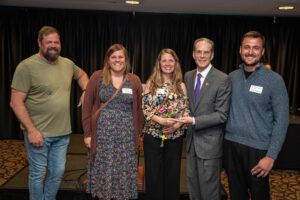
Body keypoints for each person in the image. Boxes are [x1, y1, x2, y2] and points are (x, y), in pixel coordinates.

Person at [10, 26, 89, 200]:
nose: (53, 46)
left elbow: (82, 75)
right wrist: (31, 130)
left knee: (58, 172)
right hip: (38, 134)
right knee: (37, 174)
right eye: (49, 42)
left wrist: (85, 90)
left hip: (62, 134)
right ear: (39, 43)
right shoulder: (27, 67)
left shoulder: (67, 64)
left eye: (56, 42)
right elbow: (15, 102)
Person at [223, 31, 289, 200]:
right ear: (240, 49)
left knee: (260, 196)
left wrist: (271, 156)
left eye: (255, 48)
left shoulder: (275, 80)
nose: (250, 52)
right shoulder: (231, 77)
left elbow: (281, 121)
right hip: (231, 146)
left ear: (263, 51)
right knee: (236, 195)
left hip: (258, 151)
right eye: (247, 47)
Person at [82, 44, 144, 200]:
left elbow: (140, 110)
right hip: (102, 135)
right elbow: (87, 106)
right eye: (114, 57)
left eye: (120, 57)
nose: (117, 60)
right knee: (104, 169)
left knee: (124, 170)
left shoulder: (134, 80)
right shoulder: (97, 77)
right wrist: (88, 134)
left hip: (127, 137)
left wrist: (139, 135)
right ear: (108, 60)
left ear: (126, 59)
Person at [179, 38, 231, 200]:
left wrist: (193, 121)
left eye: (206, 52)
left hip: (210, 147)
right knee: (193, 188)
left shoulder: (222, 79)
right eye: (199, 52)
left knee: (209, 192)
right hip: (191, 144)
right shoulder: (188, 76)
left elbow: (222, 114)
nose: (202, 56)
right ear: (193, 54)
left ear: (212, 55)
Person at [142, 48, 190, 200]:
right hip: (153, 137)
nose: (167, 63)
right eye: (164, 60)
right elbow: (144, 109)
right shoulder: (151, 83)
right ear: (159, 63)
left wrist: (176, 126)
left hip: (174, 138)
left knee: (172, 177)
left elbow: (185, 110)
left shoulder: (180, 85)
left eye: (171, 60)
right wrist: (161, 121)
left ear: (175, 63)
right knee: (153, 177)